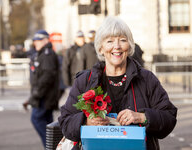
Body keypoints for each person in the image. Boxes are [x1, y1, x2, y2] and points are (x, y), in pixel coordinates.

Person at [58, 16, 177, 150]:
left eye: (122, 40)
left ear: (129, 45)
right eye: (110, 41)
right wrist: (86, 121)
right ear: (101, 48)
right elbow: (65, 122)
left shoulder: (146, 79)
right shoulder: (85, 80)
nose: (117, 46)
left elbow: (169, 117)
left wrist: (142, 117)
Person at [23, 29, 60, 148]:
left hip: (44, 97)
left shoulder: (47, 54)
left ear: (46, 40)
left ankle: (50, 146)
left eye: (39, 40)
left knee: (37, 119)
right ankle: (52, 146)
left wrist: (36, 95)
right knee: (48, 124)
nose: (36, 43)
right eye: (35, 41)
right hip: (43, 96)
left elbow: (47, 77)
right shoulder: (42, 53)